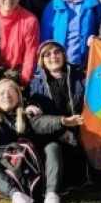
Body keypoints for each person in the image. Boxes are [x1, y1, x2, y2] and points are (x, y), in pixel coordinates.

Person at [27, 41, 88, 188]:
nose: (53, 57)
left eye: (56, 52)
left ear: (64, 55)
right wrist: (29, 107)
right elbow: (37, 117)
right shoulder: (36, 83)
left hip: (81, 127)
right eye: (47, 54)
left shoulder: (80, 76)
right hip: (54, 131)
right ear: (42, 60)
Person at [41, 0, 101, 69]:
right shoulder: (53, 6)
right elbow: (45, 38)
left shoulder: (94, 4)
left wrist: (97, 38)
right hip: (60, 66)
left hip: (87, 64)